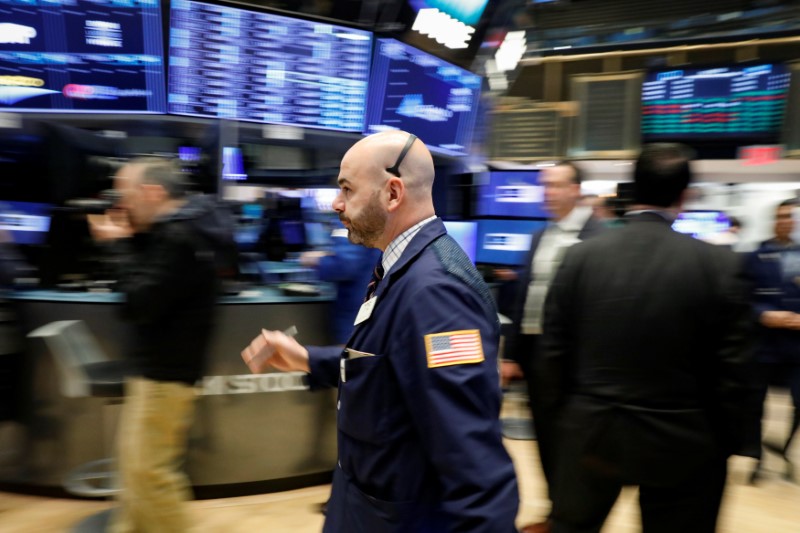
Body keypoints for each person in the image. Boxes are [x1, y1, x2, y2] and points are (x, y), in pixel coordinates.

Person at [242, 131, 519, 532]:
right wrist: (310, 359)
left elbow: (473, 464)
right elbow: (390, 366)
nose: (336, 204)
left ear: (392, 193)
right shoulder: (402, 266)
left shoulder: (437, 292)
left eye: (347, 189)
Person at [539, 143, 753, 533]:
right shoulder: (720, 265)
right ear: (685, 196)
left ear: (632, 188)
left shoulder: (581, 257)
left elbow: (553, 353)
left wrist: (565, 426)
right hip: (685, 444)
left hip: (591, 434)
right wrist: (725, 444)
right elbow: (735, 372)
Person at [88, 156, 236, 533]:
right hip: (157, 371)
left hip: (165, 375)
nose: (120, 204)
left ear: (152, 192)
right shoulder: (175, 233)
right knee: (136, 471)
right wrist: (131, 240)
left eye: (124, 194)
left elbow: (139, 303)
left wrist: (117, 246)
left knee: (150, 474)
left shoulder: (179, 239)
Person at [500, 161, 605, 533]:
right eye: (545, 186)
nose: (548, 193)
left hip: (576, 361)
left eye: (557, 186)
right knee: (544, 437)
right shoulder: (539, 236)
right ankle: (555, 511)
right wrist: (512, 354)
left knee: (573, 445)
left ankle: (572, 517)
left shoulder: (599, 238)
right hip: (536, 353)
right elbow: (522, 300)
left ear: (576, 189)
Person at [744, 198, 800, 483]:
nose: (785, 221)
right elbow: (743, 299)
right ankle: (757, 458)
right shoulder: (756, 256)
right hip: (764, 345)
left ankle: (785, 449)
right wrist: (764, 315)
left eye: (790, 216)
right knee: (756, 406)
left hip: (797, 346)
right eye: (780, 216)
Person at [299, 222, 381, 344]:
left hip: (353, 316)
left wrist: (316, 261)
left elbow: (345, 266)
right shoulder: (378, 218)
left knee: (349, 359)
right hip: (372, 309)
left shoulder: (351, 221)